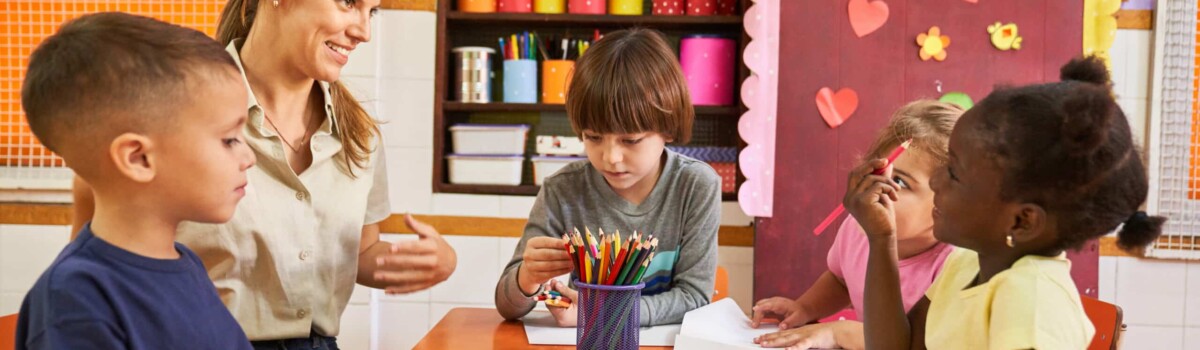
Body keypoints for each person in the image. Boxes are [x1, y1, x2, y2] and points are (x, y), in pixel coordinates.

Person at [71, 0, 458, 347]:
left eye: (371, 11)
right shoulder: (173, 103)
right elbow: (94, 254)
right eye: (348, 2)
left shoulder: (358, 133)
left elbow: (361, 252)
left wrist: (431, 262)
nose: (364, 31)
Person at [858, 56, 1165, 349]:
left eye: (953, 173)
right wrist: (882, 237)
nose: (936, 183)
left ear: (1022, 221)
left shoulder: (1032, 306)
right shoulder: (967, 264)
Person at [16, 12, 254, 349]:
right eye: (229, 139)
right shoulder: (75, 299)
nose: (249, 157)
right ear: (138, 158)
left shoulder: (187, 265)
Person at [494, 28, 722, 327]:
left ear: (668, 129)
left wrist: (600, 315)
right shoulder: (563, 189)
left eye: (630, 140)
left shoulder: (696, 185)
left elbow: (694, 297)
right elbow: (507, 306)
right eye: (593, 137)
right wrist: (527, 278)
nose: (611, 157)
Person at [752, 100, 962, 349]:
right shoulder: (856, 228)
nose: (876, 187)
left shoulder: (955, 264)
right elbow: (841, 280)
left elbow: (910, 344)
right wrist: (805, 307)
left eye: (901, 182)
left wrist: (837, 332)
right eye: (877, 171)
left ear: (949, 204)